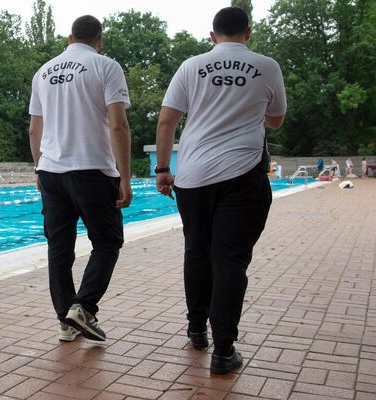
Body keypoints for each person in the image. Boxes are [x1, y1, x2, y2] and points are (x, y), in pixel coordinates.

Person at [154, 7, 286, 375]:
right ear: (248, 32)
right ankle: (223, 350)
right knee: (230, 259)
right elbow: (276, 119)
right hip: (242, 175)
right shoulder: (266, 65)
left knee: (197, 250)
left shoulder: (191, 66)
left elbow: (167, 119)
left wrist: (164, 168)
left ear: (212, 36)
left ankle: (197, 329)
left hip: (193, 176)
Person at [28, 15, 133, 343]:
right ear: (99, 40)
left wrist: (38, 169)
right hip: (91, 169)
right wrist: (125, 177)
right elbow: (118, 126)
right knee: (107, 241)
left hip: (51, 171)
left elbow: (34, 128)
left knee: (59, 248)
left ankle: (65, 322)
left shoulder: (43, 72)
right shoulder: (106, 66)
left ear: (69, 38)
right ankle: (83, 307)